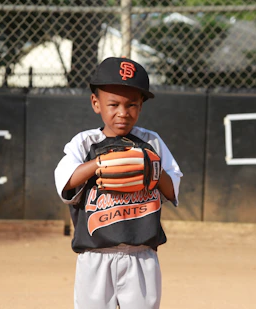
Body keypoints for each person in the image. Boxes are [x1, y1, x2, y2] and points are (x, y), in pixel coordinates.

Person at [54, 57, 183, 309]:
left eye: (132, 105)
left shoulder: (152, 143)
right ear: (96, 103)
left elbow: (172, 188)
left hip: (141, 254)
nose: (123, 112)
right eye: (113, 104)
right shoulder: (84, 143)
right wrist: (100, 165)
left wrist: (152, 168)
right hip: (95, 255)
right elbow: (65, 181)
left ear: (141, 106)